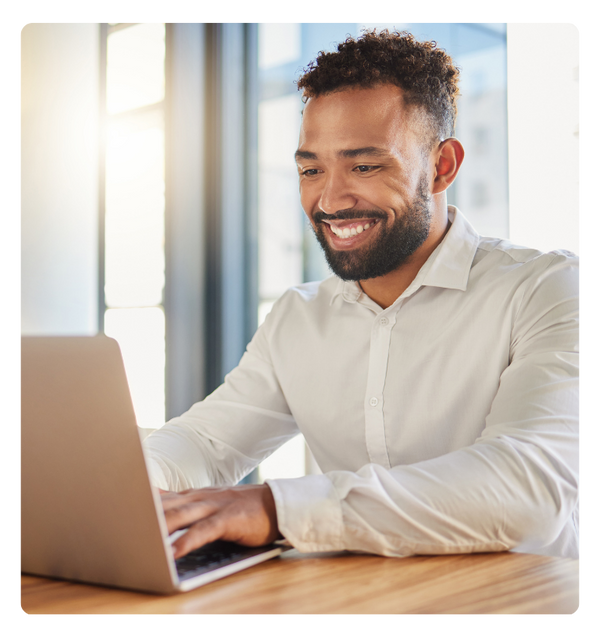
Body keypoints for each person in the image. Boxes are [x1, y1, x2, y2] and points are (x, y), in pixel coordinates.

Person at [145, 30, 582, 561]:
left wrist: (274, 510)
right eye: (311, 170)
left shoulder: (549, 290)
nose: (329, 199)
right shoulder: (298, 318)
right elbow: (206, 445)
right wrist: (126, 486)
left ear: (442, 167)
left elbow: (528, 491)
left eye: (365, 166)